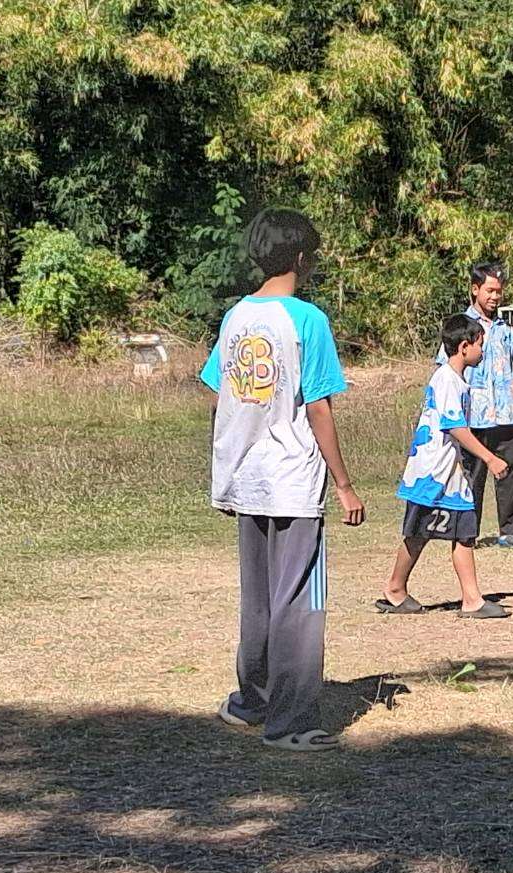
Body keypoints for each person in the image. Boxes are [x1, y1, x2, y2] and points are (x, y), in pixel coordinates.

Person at [200, 209, 365, 752]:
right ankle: (290, 723)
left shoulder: (236, 317)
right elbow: (318, 407)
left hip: (246, 477)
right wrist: (343, 483)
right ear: (301, 257)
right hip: (293, 479)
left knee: (260, 599)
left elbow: (217, 383)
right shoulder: (306, 320)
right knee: (299, 600)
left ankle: (251, 701)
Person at [381, 314, 512, 619]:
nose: (483, 351)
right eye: (480, 345)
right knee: (419, 533)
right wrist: (490, 458)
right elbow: (455, 427)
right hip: (434, 473)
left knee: (465, 531)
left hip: (453, 475)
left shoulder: (458, 381)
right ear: (464, 346)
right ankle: (395, 588)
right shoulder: (446, 380)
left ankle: (471, 599)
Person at [442, 263, 513, 548]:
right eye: (490, 290)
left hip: (504, 413)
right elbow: (448, 369)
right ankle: (469, 532)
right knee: (473, 474)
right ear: (475, 289)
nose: (495, 296)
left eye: (499, 291)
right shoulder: (463, 327)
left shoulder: (505, 330)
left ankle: (511, 531)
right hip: (474, 416)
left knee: (510, 471)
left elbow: (511, 373)